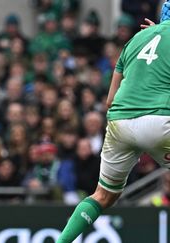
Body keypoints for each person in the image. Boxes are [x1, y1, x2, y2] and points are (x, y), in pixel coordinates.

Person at [57, 8, 170, 243]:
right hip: (161, 121)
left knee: (103, 196)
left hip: (120, 122)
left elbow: (109, 100)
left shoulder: (135, 40)